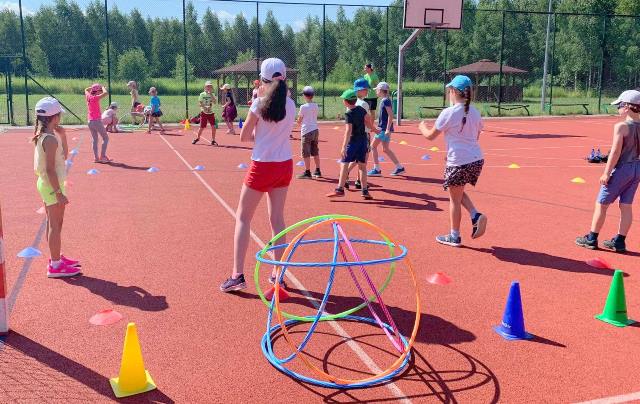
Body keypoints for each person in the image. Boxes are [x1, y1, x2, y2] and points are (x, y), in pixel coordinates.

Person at [220, 58, 296, 293]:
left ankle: (237, 275)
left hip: (263, 165)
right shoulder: (291, 104)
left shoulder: (258, 104)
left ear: (263, 80)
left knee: (243, 218)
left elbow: (244, 136)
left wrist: (259, 134)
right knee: (278, 220)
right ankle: (278, 275)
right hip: (284, 164)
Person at [418, 75, 487, 247]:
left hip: (459, 161)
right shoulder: (475, 112)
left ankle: (454, 236)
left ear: (454, 92)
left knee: (454, 198)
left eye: (450, 90)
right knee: (457, 190)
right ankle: (475, 215)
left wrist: (422, 127)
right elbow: (476, 135)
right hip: (476, 160)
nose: (449, 93)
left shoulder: (449, 113)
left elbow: (430, 136)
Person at [576, 90, 640, 253]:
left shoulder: (621, 126)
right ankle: (620, 241)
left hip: (622, 169)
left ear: (627, 107)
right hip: (636, 169)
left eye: (619, 105)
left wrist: (606, 172)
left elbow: (616, 152)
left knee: (602, 204)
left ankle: (591, 238)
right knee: (626, 206)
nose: (618, 108)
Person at [32, 97, 82, 278]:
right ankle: (55, 265)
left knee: (55, 223)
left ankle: (56, 257)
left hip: (50, 184)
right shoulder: (50, 139)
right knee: (55, 224)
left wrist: (64, 135)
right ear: (55, 117)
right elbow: (50, 169)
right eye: (59, 115)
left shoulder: (47, 136)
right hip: (51, 186)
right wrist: (58, 192)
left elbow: (63, 156)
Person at [326, 88, 373, 201]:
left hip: (353, 142)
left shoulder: (348, 114)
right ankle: (364, 190)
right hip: (363, 140)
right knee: (362, 166)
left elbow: (348, 131)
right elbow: (368, 121)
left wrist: (343, 146)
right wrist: (375, 130)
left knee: (344, 164)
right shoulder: (361, 109)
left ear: (346, 101)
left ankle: (340, 189)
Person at [346, 78, 379, 189]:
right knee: (362, 159)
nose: (367, 91)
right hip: (364, 134)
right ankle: (348, 175)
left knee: (357, 158)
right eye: (365, 89)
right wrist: (374, 129)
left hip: (353, 134)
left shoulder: (351, 102)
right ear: (359, 90)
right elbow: (367, 121)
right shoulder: (364, 104)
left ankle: (357, 180)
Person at [368, 82, 405, 177]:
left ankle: (376, 169)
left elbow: (390, 115)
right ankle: (399, 167)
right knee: (385, 149)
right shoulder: (385, 100)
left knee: (373, 146)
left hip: (383, 129)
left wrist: (387, 129)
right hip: (383, 128)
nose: (376, 91)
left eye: (377, 90)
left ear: (380, 90)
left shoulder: (385, 101)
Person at [296, 86, 322, 179]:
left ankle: (307, 172)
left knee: (306, 152)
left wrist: (297, 121)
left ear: (304, 95)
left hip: (306, 131)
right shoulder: (315, 105)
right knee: (315, 151)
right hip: (315, 130)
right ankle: (318, 170)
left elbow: (299, 120)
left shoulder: (303, 107)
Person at [85, 83, 111, 163]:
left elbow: (86, 89)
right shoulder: (95, 98)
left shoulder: (88, 96)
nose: (100, 92)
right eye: (99, 91)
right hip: (96, 121)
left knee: (95, 139)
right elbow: (106, 93)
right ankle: (102, 157)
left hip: (90, 121)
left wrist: (94, 87)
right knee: (105, 138)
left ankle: (96, 158)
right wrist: (102, 87)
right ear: (96, 91)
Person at [193, 81, 218, 146]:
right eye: (207, 86)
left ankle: (213, 140)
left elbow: (215, 102)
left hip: (211, 113)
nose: (209, 87)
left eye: (210, 86)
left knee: (213, 126)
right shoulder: (202, 94)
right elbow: (200, 103)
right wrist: (204, 108)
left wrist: (211, 94)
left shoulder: (213, 94)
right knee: (202, 127)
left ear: (212, 88)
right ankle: (197, 138)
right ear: (205, 87)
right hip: (204, 113)